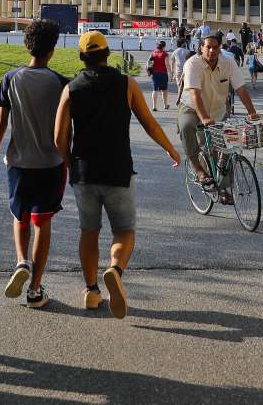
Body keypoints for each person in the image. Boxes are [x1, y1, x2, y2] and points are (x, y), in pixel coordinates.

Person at [54, 31, 181, 319]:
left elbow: (58, 137)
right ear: (108, 53)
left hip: (84, 172)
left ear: (82, 57)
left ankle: (91, 291)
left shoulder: (71, 89)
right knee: (124, 230)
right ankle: (115, 269)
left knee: (89, 232)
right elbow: (149, 124)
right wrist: (170, 150)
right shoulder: (127, 84)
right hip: (118, 169)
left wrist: (68, 163)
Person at [0, 20, 68, 309]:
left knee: (19, 217)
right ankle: (34, 289)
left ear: (26, 44)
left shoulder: (10, 79)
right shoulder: (61, 83)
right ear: (53, 49)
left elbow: (0, 123)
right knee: (42, 222)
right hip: (51, 163)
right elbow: (68, 129)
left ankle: (21, 261)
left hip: (18, 163)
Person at [177, 34, 261, 199]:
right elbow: (195, 94)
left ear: (220, 48)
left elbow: (241, 89)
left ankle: (222, 187)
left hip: (218, 110)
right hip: (192, 108)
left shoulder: (228, 63)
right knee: (187, 127)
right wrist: (204, 118)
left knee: (226, 146)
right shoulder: (192, 64)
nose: (212, 50)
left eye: (215, 47)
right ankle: (199, 170)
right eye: (208, 47)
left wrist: (252, 112)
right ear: (201, 48)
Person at [171, 36, 195, 106]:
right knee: (185, 86)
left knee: (179, 86)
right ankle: (182, 99)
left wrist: (172, 72)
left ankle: (179, 99)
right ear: (182, 44)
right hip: (187, 70)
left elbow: (172, 62)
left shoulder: (175, 51)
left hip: (178, 71)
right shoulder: (187, 51)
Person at [148, 40, 171, 111]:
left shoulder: (153, 53)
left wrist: (149, 72)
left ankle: (154, 106)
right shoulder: (165, 54)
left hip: (154, 74)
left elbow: (149, 63)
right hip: (163, 74)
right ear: (164, 47)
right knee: (164, 90)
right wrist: (170, 73)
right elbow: (167, 64)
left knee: (155, 89)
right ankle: (165, 105)